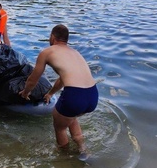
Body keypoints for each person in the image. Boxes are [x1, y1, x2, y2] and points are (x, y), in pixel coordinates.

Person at [19, 24, 98, 155]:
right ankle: (83, 149)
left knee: (59, 125)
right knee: (70, 116)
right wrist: (50, 93)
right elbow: (62, 79)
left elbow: (33, 79)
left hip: (75, 95)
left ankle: (65, 158)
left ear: (52, 37)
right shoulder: (75, 52)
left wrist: (25, 92)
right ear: (66, 39)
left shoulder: (47, 52)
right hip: (93, 94)